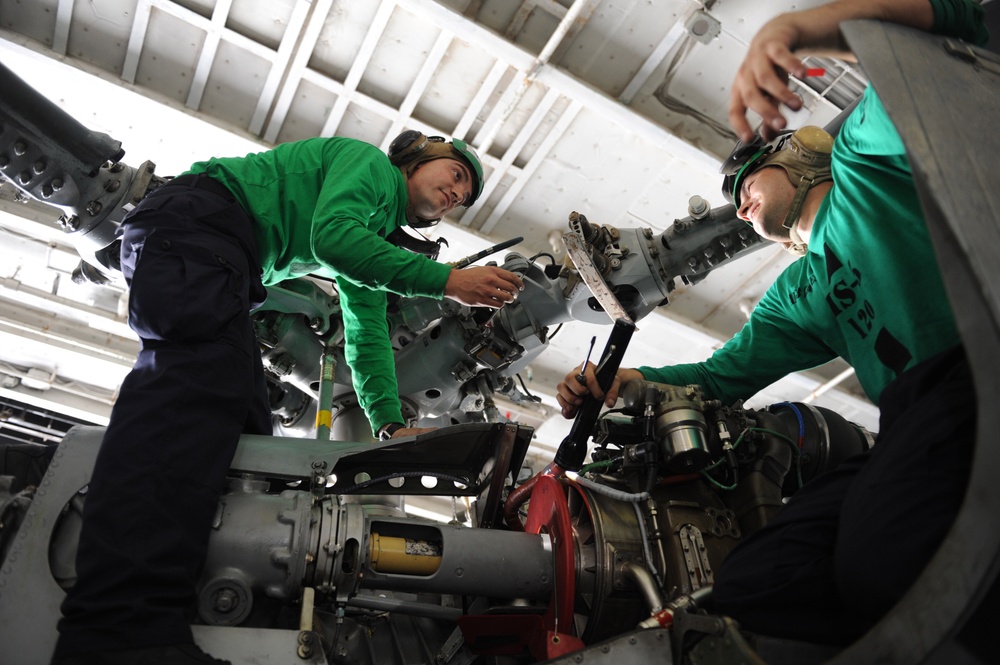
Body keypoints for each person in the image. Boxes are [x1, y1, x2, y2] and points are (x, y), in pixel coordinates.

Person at [557, 0, 988, 646]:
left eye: (749, 176)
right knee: (752, 585)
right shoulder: (799, 291)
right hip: (908, 416)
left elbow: (932, 46)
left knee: (882, 556)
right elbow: (717, 376)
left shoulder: (862, 163)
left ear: (799, 153)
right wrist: (621, 382)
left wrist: (791, 30)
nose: (739, 199)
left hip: (973, 367)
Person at [52, 132, 525, 665]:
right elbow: (332, 239)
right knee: (195, 393)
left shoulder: (374, 236)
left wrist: (389, 426)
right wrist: (446, 280)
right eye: (456, 175)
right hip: (197, 227)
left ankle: (181, 611)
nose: (454, 195)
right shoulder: (368, 165)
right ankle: (116, 625)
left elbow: (367, 334)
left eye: (463, 197)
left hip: (220, 256)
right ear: (416, 156)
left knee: (253, 439)